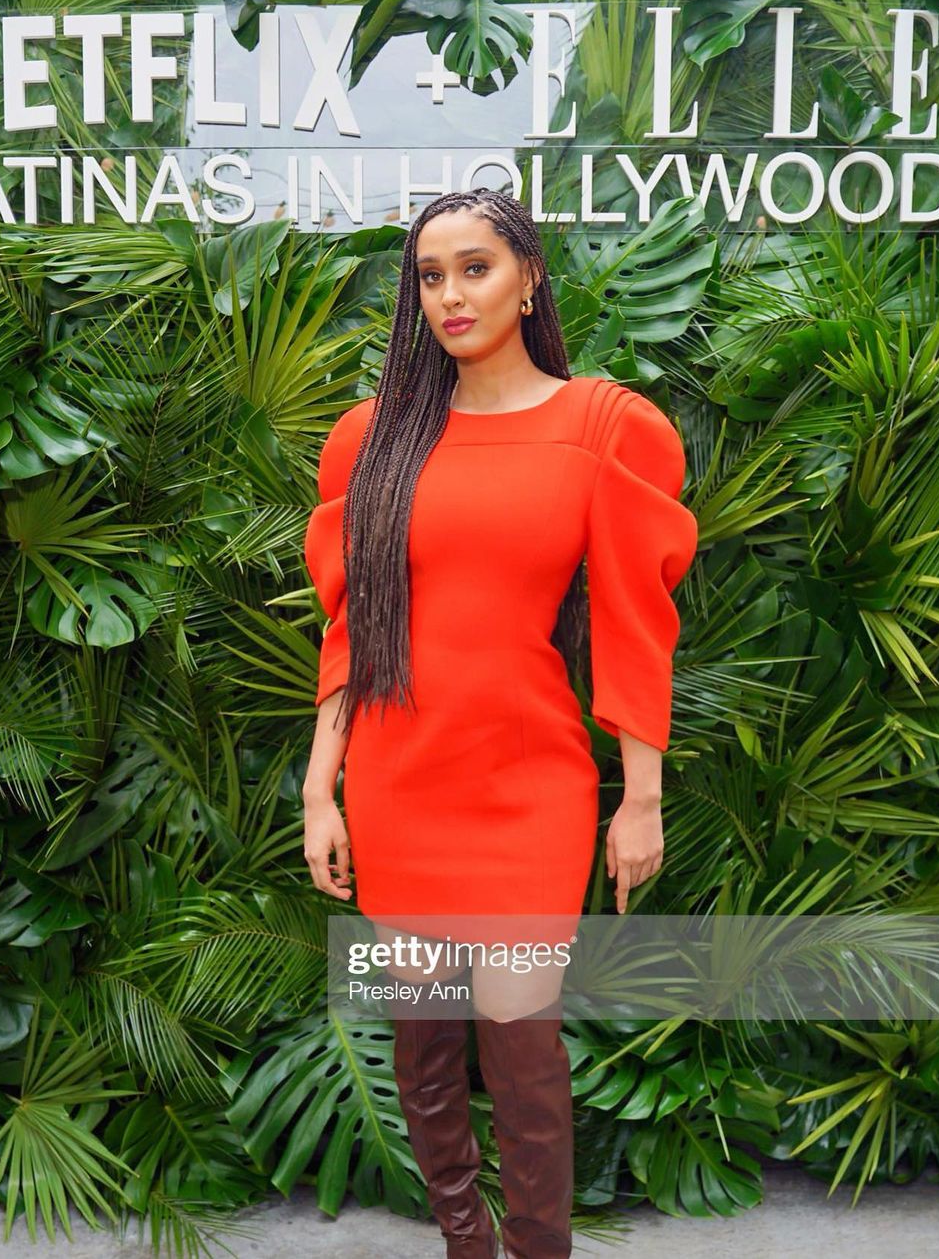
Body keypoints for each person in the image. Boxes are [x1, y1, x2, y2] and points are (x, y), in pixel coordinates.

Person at [302, 188, 698, 1258]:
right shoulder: (373, 440)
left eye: (475, 267)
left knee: (524, 1050)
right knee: (423, 1048)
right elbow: (353, 626)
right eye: (430, 276)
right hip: (400, 782)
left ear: (529, 277)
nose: (451, 294)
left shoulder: (601, 426)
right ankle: (464, 1240)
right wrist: (319, 788)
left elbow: (633, 623)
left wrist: (642, 798)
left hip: (531, 788)